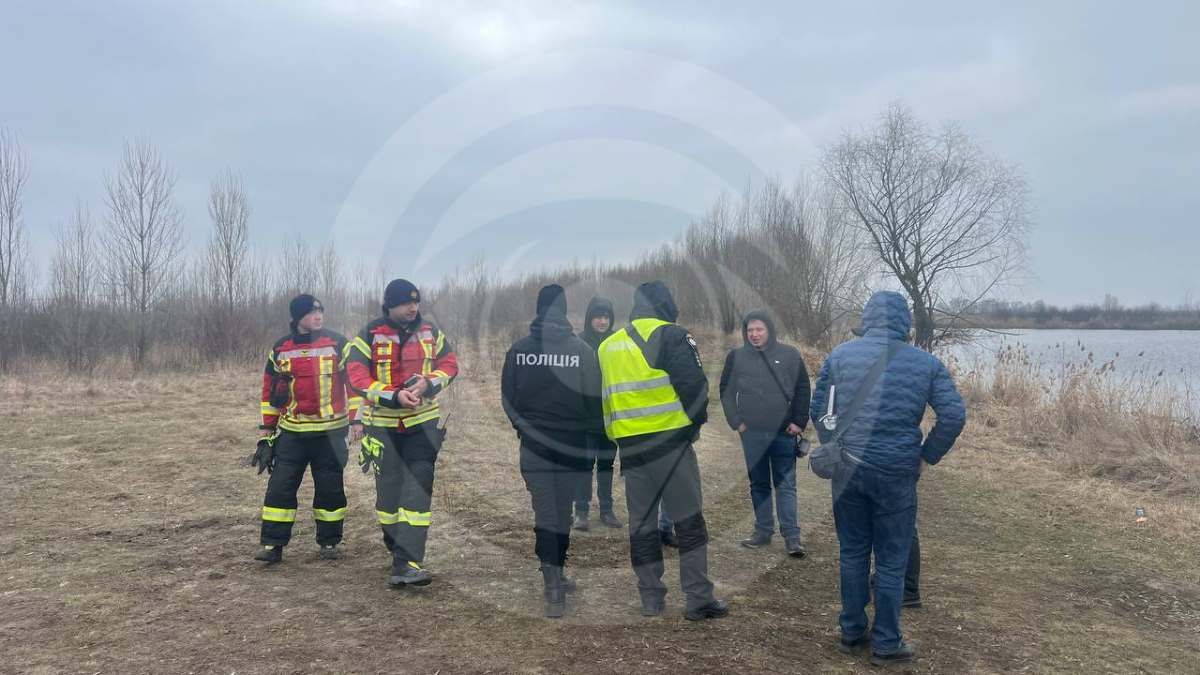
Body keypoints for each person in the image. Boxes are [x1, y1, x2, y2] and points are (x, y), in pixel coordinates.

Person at [810, 291, 965, 666]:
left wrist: (836, 445)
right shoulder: (926, 363)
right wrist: (926, 456)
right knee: (892, 561)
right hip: (896, 472)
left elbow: (820, 410)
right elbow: (954, 415)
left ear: (867, 318)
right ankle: (886, 643)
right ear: (904, 322)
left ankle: (850, 631)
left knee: (852, 552)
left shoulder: (840, 356)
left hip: (848, 469)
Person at [597, 280, 727, 621]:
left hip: (630, 447)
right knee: (689, 522)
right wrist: (693, 428)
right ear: (667, 303)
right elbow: (695, 388)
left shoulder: (608, 346)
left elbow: (607, 397)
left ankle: (650, 598)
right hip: (670, 445)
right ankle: (698, 599)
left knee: (641, 525)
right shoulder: (672, 335)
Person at [345, 279, 458, 587]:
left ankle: (407, 561)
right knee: (389, 496)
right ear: (390, 306)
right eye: (407, 304)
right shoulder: (368, 334)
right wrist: (392, 396)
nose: (413, 308)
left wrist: (429, 382)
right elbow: (356, 376)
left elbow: (449, 364)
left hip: (423, 425)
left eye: (416, 303)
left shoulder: (431, 332)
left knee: (418, 489)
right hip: (382, 428)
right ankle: (396, 547)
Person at [501, 285, 600, 617]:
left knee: (545, 513)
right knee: (563, 512)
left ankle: (553, 580)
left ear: (538, 308)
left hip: (534, 448)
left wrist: (523, 428)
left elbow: (508, 399)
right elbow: (593, 400)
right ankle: (555, 578)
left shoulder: (519, 350)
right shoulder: (583, 351)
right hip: (572, 447)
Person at [254, 294, 361, 563]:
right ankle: (272, 546)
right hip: (292, 433)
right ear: (298, 317)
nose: (318, 316)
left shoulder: (337, 343)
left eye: (321, 311)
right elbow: (269, 392)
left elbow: (354, 384)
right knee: (280, 488)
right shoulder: (281, 348)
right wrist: (267, 429)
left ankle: (329, 543)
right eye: (312, 312)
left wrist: (356, 419)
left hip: (331, 433)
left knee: (330, 489)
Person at [719, 311, 811, 557]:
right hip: (751, 433)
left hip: (784, 433)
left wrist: (799, 421)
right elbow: (726, 392)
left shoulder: (790, 355)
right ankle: (762, 531)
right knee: (759, 484)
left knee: (786, 485)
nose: (754, 334)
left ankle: (792, 537)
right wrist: (736, 422)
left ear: (769, 330)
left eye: (759, 329)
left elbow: (803, 388)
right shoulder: (736, 357)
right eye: (750, 330)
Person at [573, 296, 622, 530]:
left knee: (606, 465)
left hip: (609, 418)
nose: (602, 321)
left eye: (606, 317)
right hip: (584, 417)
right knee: (583, 465)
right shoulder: (578, 343)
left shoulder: (618, 343)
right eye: (597, 317)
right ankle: (580, 512)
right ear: (589, 318)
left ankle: (607, 510)